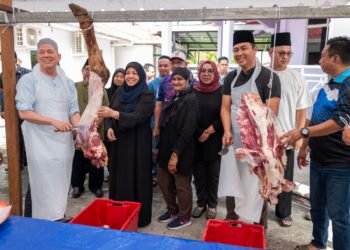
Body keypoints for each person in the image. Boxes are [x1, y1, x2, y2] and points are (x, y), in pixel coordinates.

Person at [281, 36, 350, 250]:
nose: (319, 60)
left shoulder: (348, 84)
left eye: (322, 55)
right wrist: (305, 146)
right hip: (320, 159)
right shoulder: (328, 84)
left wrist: (301, 132)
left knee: (339, 215)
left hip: (340, 164)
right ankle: (318, 243)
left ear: (335, 58)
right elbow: (316, 116)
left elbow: (341, 121)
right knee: (318, 207)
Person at [220, 30, 281, 227]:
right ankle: (232, 222)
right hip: (234, 140)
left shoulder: (269, 77)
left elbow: (271, 113)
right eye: (236, 49)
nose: (239, 53)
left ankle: (257, 229)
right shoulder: (231, 77)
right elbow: (225, 107)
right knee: (233, 180)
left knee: (257, 184)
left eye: (244, 48)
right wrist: (227, 130)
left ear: (255, 49)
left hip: (257, 144)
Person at [15, 38, 80, 221]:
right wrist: (53, 121)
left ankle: (57, 219)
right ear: (37, 56)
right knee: (40, 186)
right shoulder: (28, 81)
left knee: (60, 185)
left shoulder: (67, 82)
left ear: (58, 56)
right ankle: (34, 227)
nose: (46, 55)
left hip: (63, 145)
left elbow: (73, 111)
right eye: (42, 52)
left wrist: (83, 130)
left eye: (50, 51)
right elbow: (24, 112)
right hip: (40, 144)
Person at [98, 62, 154, 227]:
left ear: (141, 76)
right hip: (119, 143)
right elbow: (108, 114)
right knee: (120, 177)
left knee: (137, 178)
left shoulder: (147, 94)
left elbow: (138, 117)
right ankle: (119, 215)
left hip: (138, 144)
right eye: (128, 72)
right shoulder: (119, 92)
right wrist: (108, 128)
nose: (130, 76)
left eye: (134, 73)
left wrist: (114, 114)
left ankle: (138, 218)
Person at [269, 32, 312, 227]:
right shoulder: (262, 75)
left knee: (286, 177)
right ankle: (258, 211)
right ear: (271, 53)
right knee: (263, 176)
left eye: (288, 53)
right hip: (265, 138)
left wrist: (300, 136)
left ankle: (284, 213)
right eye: (281, 52)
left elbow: (301, 110)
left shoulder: (296, 78)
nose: (285, 57)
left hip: (287, 137)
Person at [157, 67, 199, 230]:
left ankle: (184, 216)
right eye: (174, 79)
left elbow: (187, 130)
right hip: (167, 146)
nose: (176, 82)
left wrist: (176, 154)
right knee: (163, 179)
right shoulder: (175, 96)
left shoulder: (191, 100)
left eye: (180, 79)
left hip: (182, 148)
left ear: (188, 80)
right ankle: (172, 210)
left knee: (181, 184)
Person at [71, 59, 109, 199]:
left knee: (96, 160)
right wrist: (78, 130)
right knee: (78, 160)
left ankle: (96, 186)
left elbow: (104, 110)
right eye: (86, 69)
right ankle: (77, 186)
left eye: (91, 71)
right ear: (82, 71)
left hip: (95, 132)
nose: (88, 72)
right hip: (77, 132)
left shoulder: (100, 89)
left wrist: (93, 129)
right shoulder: (75, 87)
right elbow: (68, 108)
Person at [192, 60, 223, 220]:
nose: (206, 74)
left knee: (213, 175)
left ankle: (212, 204)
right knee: (198, 174)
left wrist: (210, 131)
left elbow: (225, 115)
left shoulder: (221, 91)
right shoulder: (193, 91)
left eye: (210, 71)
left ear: (215, 73)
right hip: (196, 139)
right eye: (203, 71)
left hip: (214, 138)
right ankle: (201, 202)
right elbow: (189, 115)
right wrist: (199, 133)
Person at [153, 51, 196, 139]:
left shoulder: (194, 83)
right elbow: (159, 104)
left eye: (179, 62)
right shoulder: (164, 81)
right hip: (167, 125)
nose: (175, 65)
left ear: (186, 63)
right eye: (173, 63)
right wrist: (156, 126)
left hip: (186, 127)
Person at [0, 52, 31, 170]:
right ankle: (17, 163)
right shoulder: (2, 75)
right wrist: (2, 109)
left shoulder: (26, 73)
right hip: (11, 112)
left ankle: (28, 161)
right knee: (13, 137)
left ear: (15, 59)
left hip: (27, 111)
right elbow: (2, 94)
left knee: (27, 136)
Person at [148, 55, 171, 185]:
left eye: (165, 65)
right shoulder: (151, 85)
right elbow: (149, 105)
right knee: (154, 150)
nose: (163, 68)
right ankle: (154, 174)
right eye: (160, 66)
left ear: (170, 66)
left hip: (170, 124)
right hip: (154, 123)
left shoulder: (175, 81)